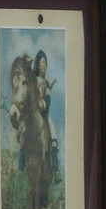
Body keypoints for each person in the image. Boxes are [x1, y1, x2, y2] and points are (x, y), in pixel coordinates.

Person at [34, 49, 61, 182]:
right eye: (42, 62)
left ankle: (56, 170)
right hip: (34, 114)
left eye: (45, 63)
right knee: (23, 136)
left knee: (54, 137)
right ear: (38, 65)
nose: (44, 65)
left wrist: (45, 99)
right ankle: (21, 170)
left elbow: (47, 102)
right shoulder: (33, 81)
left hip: (45, 115)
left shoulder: (47, 83)